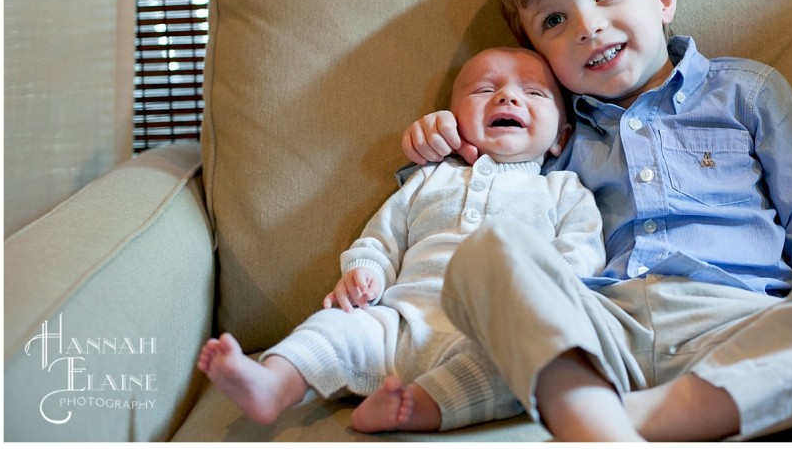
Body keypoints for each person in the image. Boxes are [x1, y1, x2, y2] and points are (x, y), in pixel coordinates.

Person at [401, 0, 792, 441]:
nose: (588, 26)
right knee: (484, 252)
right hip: (600, 333)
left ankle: (614, 427)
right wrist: (445, 136)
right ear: (541, 58)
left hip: (740, 322)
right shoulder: (556, 133)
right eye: (554, 20)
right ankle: (598, 411)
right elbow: (482, 191)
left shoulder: (747, 90)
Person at [197, 46, 605, 433]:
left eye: (532, 92)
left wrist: (542, 300)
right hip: (396, 320)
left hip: (490, 330)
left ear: (561, 138)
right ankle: (274, 384)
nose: (507, 98)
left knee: (517, 365)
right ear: (452, 119)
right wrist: (364, 273)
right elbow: (381, 237)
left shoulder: (562, 191)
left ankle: (417, 407)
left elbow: (581, 253)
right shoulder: (429, 177)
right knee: (337, 328)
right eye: (485, 90)